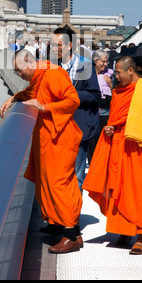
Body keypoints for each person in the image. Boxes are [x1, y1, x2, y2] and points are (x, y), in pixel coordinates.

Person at [82, 56, 142, 255]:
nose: (116, 76)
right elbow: (116, 118)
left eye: (119, 72)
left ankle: (141, 236)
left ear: (130, 71)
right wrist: (110, 128)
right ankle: (123, 230)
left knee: (139, 190)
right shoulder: (117, 91)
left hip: (140, 146)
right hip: (119, 145)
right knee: (119, 188)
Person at [0, 49, 84, 254]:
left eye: (18, 71)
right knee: (46, 180)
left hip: (60, 138)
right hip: (47, 139)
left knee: (59, 184)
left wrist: (44, 107)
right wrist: (14, 97)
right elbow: (32, 93)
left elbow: (73, 101)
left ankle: (71, 236)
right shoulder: (40, 76)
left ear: (29, 63)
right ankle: (57, 223)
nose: (18, 75)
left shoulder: (52, 74)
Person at [50, 25, 101, 191]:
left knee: (77, 177)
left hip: (78, 127)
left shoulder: (85, 66)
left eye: (57, 45)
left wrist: (71, 96)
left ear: (69, 45)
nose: (53, 49)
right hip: (56, 128)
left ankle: (72, 216)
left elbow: (94, 95)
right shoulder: (51, 66)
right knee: (57, 175)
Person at [92, 49, 113, 130]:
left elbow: (113, 92)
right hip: (92, 113)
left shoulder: (108, 74)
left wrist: (110, 84)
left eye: (106, 62)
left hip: (105, 113)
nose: (105, 64)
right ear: (96, 61)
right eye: (103, 62)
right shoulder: (89, 74)